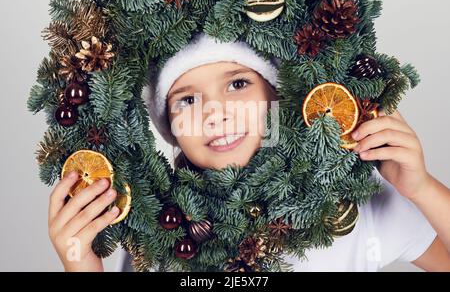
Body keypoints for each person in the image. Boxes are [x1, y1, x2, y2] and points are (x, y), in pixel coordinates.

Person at [48, 33, 450, 272]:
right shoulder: (162, 236)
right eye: (187, 100)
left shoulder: (351, 201)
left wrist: (422, 188)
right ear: (170, 129)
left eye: (238, 84)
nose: (216, 114)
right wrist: (80, 263)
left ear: (274, 96)